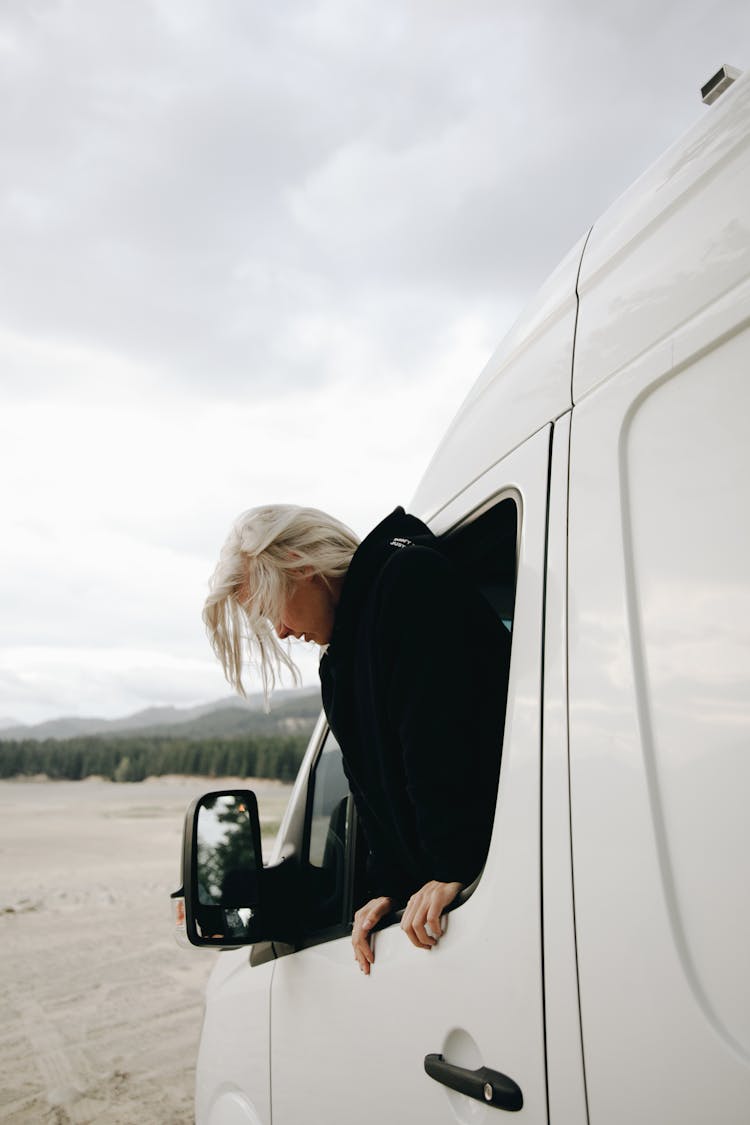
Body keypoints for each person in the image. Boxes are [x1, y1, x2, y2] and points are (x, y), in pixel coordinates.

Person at [203, 504, 511, 974]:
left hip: (497, 891)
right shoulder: (342, 659)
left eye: (270, 609)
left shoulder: (410, 579)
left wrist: (453, 867)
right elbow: (368, 786)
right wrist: (387, 888)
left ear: (298, 563)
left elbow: (445, 737)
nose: (282, 632)